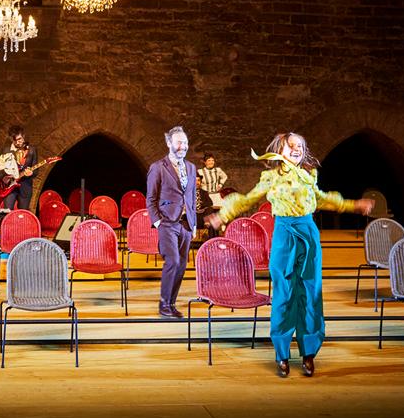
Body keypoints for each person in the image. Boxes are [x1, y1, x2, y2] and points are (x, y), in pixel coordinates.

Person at [207, 132, 373, 378]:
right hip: (284, 234)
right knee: (284, 293)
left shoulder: (307, 176)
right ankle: (282, 354)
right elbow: (248, 199)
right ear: (279, 150)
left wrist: (353, 205)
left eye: (301, 146)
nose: (297, 149)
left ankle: (309, 352)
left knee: (310, 292)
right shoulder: (271, 178)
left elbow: (322, 200)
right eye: (291, 145)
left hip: (308, 233)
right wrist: (223, 214)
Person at [146, 126, 197, 318]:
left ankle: (171, 303)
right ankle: (163, 303)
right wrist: (157, 222)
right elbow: (151, 198)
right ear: (169, 143)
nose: (183, 146)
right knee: (173, 261)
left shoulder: (191, 167)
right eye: (179, 142)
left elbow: (191, 197)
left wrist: (193, 224)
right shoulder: (158, 167)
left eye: (185, 142)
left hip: (186, 224)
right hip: (167, 222)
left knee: (182, 265)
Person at [0, 125, 38, 210]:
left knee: (23, 213)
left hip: (25, 186)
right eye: (15, 140)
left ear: (23, 136)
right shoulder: (5, 150)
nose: (18, 142)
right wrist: (3, 177)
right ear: (11, 139)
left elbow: (36, 171)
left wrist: (31, 173)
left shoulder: (31, 150)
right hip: (9, 186)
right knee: (7, 211)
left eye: (19, 139)